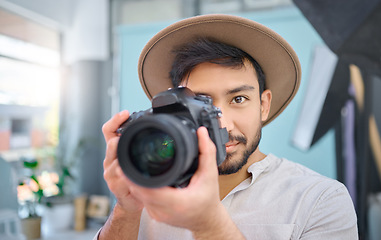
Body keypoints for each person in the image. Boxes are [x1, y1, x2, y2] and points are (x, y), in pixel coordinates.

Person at [96, 14, 358, 239]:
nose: (222, 123)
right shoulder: (150, 180)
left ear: (264, 104)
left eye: (239, 99)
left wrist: (208, 224)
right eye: (202, 104)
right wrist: (126, 208)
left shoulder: (320, 199)